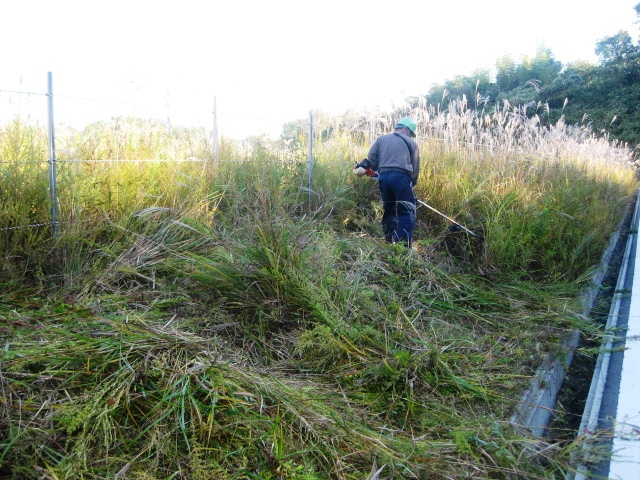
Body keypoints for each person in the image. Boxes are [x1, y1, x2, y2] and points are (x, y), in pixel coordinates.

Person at [357, 117, 420, 247]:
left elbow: (372, 156)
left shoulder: (381, 139)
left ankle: (389, 240)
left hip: (384, 177)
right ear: (405, 129)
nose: (410, 136)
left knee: (389, 209)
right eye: (410, 133)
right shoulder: (411, 144)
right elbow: (415, 167)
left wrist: (376, 169)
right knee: (407, 211)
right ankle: (402, 246)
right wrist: (411, 183)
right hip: (401, 177)